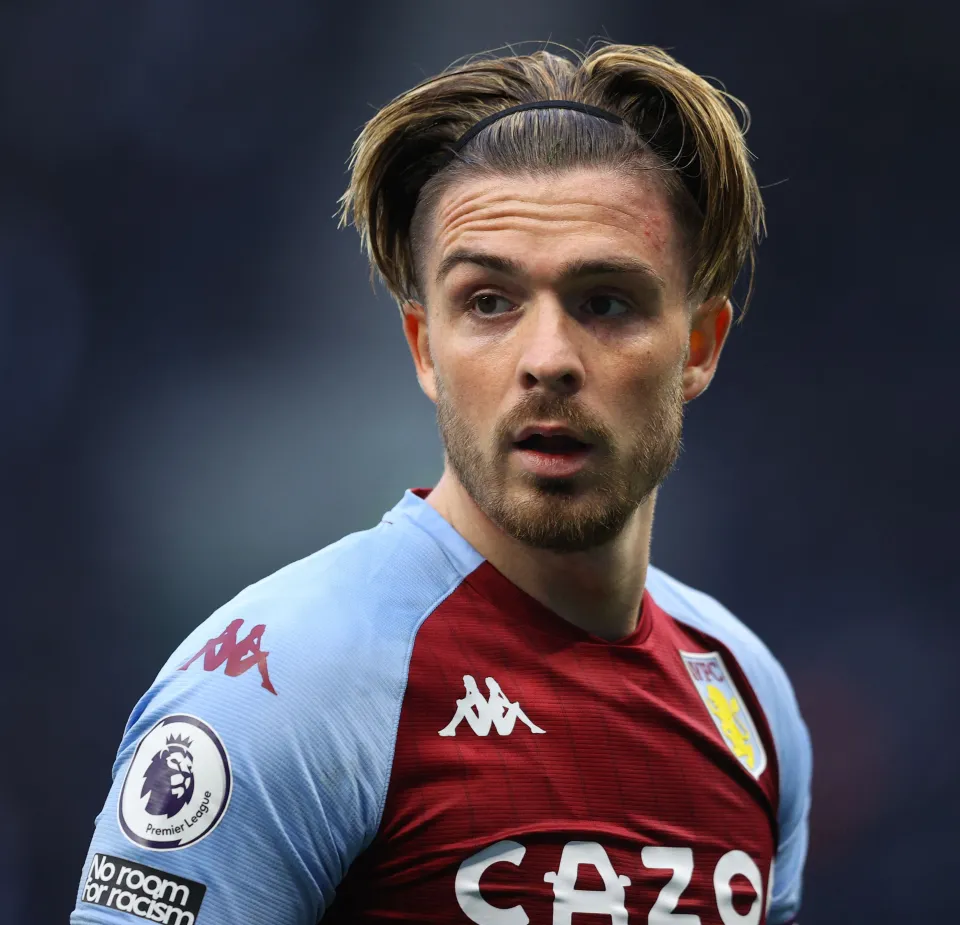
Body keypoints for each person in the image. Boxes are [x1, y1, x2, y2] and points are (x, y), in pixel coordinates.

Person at [72, 42, 812, 925]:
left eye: (606, 300)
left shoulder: (748, 696)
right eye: (489, 302)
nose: (547, 360)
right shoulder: (280, 691)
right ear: (426, 347)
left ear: (698, 346)